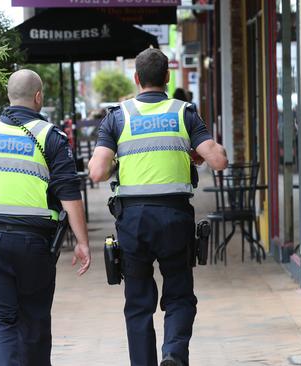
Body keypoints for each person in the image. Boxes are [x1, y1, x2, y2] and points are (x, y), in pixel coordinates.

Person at [88, 48, 228, 366]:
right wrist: (193, 149)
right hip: (174, 217)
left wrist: (118, 158)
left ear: (136, 79)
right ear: (167, 77)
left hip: (133, 220)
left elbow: (96, 172)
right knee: (179, 293)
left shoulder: (117, 117)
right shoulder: (184, 112)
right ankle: (174, 354)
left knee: (138, 303)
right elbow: (218, 161)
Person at [0, 69, 91, 366]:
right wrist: (82, 242)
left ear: (8, 95)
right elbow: (69, 195)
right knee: (34, 317)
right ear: (38, 97)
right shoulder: (51, 137)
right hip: (34, 244)